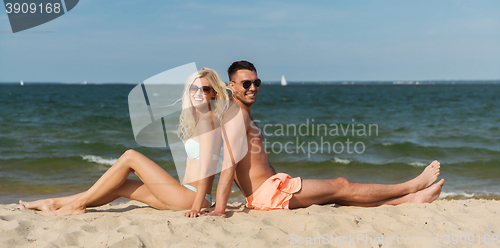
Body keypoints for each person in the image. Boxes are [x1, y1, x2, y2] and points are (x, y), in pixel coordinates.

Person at [203, 61, 444, 217]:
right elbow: (229, 166)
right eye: (246, 83)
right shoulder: (236, 116)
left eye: (257, 82)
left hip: (269, 190)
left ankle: (411, 198)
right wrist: (220, 210)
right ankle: (410, 186)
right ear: (231, 86)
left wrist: (249, 196)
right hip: (269, 193)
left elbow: (245, 165)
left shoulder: (240, 114)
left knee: (339, 196)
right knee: (341, 185)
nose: (253, 87)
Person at [20, 68, 229, 217]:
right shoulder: (202, 121)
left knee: (130, 156)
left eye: (205, 89)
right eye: (194, 88)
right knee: (121, 186)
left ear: (214, 94)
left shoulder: (209, 123)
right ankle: (52, 202)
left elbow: (207, 168)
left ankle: (77, 205)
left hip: (191, 198)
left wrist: (195, 208)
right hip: (186, 195)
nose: (198, 93)